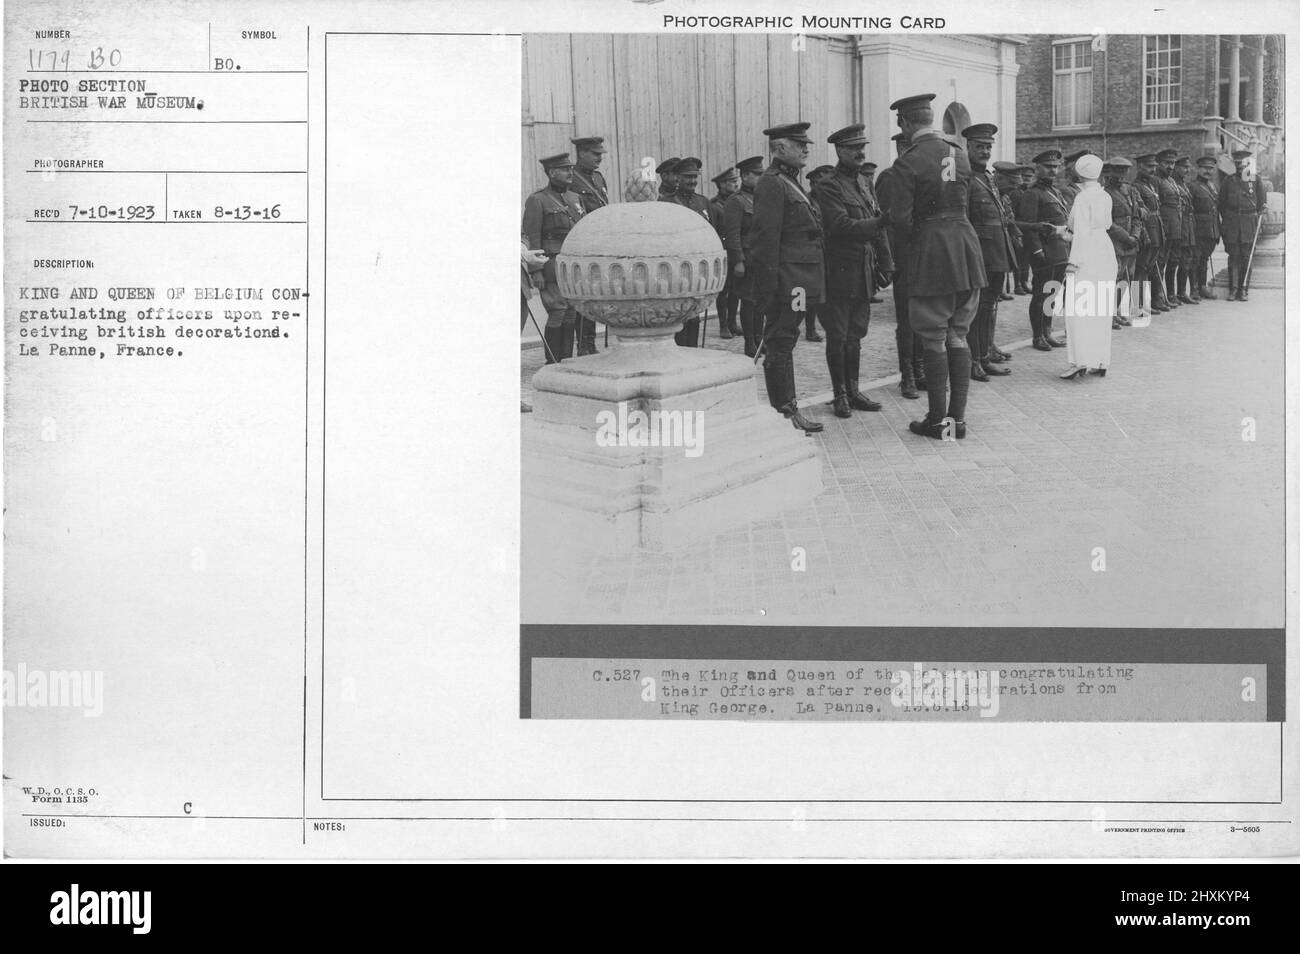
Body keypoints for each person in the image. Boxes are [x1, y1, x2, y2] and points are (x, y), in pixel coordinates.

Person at [878, 93, 986, 440]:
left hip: (932, 255)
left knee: (933, 335)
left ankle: (937, 420)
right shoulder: (960, 154)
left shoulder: (907, 164)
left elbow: (901, 222)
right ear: (932, 119)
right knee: (959, 332)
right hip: (967, 251)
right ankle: (958, 420)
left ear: (904, 124)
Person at [749, 121, 826, 434]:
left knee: (786, 339)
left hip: (800, 277)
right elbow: (766, 240)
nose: (806, 148)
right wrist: (769, 290)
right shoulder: (772, 183)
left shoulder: (789, 181)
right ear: (780, 148)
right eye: (799, 144)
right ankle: (784, 411)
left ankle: (787, 406)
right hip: (788, 280)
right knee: (781, 341)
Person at [813, 123, 893, 417]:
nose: (860, 153)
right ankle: (840, 395)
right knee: (838, 334)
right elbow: (840, 225)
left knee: (856, 334)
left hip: (863, 270)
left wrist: (887, 262)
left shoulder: (864, 182)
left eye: (862, 147)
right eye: (853, 148)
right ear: (839, 151)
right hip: (838, 271)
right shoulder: (827, 185)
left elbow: (877, 223)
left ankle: (855, 390)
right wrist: (880, 224)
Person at [962, 124, 1016, 382]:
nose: (984, 151)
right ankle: (974, 361)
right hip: (980, 254)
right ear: (968, 147)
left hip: (997, 254)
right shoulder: (966, 179)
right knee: (977, 310)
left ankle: (983, 357)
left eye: (987, 147)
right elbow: (966, 220)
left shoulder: (988, 179)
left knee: (988, 307)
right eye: (979, 146)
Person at [520, 152, 585, 362]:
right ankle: (553, 361)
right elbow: (532, 235)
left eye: (571, 168)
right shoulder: (537, 200)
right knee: (558, 310)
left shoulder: (575, 198)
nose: (570, 173)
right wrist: (536, 271)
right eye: (565, 169)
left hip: (572, 264)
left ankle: (566, 359)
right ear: (552, 172)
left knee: (571, 311)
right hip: (550, 264)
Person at [1058, 155, 1117, 380]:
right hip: (1104, 249)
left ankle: (1080, 361)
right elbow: (1105, 224)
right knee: (1100, 307)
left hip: (1087, 254)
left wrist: (1073, 262)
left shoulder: (1082, 198)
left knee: (1079, 309)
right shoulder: (1104, 195)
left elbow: (1081, 231)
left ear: (1079, 174)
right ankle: (1101, 359)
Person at [876, 132, 925, 399]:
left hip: (924, 257)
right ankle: (907, 375)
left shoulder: (923, 175)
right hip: (903, 258)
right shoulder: (890, 177)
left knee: (923, 317)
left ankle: (920, 370)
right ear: (901, 147)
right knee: (907, 320)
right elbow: (885, 224)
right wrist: (890, 261)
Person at [1018, 148, 1069, 351]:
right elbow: (1028, 226)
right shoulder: (1032, 194)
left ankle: (1047, 332)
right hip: (1045, 252)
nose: (1053, 171)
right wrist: (1037, 251)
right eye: (1048, 167)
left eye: (1056, 167)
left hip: (1060, 251)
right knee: (1040, 295)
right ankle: (1037, 336)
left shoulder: (1055, 192)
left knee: (1053, 294)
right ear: (1038, 168)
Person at [663, 157, 712, 346]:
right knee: (679, 312)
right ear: (677, 178)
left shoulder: (703, 202)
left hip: (698, 267)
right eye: (687, 177)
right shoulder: (667, 203)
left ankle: (692, 350)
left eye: (694, 177)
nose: (692, 181)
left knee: (695, 311)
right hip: (677, 267)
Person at [723, 155, 765, 357]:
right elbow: (732, 235)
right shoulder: (736, 201)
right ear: (745, 176)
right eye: (757, 174)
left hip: (761, 258)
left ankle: (759, 339)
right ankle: (750, 342)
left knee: (760, 303)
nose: (760, 177)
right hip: (746, 259)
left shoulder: (761, 198)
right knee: (748, 302)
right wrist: (738, 261)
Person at [1218, 148, 1268, 301]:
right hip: (1232, 223)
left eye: (1244, 163)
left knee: (1247, 256)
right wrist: (1227, 220)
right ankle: (1233, 290)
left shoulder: (1255, 180)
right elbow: (1221, 204)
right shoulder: (1228, 181)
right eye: (1238, 163)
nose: (1240, 166)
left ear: (1249, 163)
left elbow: (1262, 203)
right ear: (1234, 163)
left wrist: (1262, 210)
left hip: (1249, 224)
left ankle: (1243, 289)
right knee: (1233, 256)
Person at [1101, 157, 1140, 327]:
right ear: (1109, 173)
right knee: (1112, 278)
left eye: (1124, 172)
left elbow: (1136, 216)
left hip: (1131, 242)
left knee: (1125, 277)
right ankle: (1107, 314)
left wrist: (1136, 236)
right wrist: (1126, 237)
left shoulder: (1129, 191)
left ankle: (1116, 311)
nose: (1121, 176)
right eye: (1118, 172)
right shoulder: (1105, 194)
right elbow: (1107, 222)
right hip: (1115, 242)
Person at [1132, 154, 1169, 314]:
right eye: (1149, 166)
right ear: (1140, 167)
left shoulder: (1151, 186)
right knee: (1140, 268)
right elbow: (1138, 214)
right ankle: (1136, 305)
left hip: (1156, 230)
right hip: (1147, 232)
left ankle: (1145, 304)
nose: (1153, 169)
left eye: (1154, 166)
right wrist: (1143, 234)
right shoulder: (1135, 187)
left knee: (1148, 269)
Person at [709, 166, 743, 338]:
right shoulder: (714, 205)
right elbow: (713, 230)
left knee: (736, 290)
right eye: (731, 182)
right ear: (721, 185)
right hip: (723, 253)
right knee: (723, 291)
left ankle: (732, 323)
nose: (735, 185)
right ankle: (723, 326)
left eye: (736, 181)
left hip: (736, 252)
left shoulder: (738, 202)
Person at [1187, 155, 1222, 299]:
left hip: (1212, 229)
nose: (1208, 171)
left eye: (1211, 169)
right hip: (1198, 229)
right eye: (1205, 168)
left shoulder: (1213, 186)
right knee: (1195, 259)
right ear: (1198, 169)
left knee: (1204, 259)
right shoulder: (1192, 186)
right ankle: (1194, 289)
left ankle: (1202, 286)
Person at [1170, 156, 1199, 304]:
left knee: (1186, 260)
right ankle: (1171, 294)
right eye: (1184, 167)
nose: (1187, 170)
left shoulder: (1184, 184)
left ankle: (1181, 292)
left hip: (1188, 226)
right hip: (1178, 227)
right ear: (1176, 167)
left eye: (1188, 167)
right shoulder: (1172, 183)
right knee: (1174, 261)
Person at [569, 136, 610, 213]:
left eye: (601, 155)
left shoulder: (598, 177)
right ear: (582, 154)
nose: (600, 158)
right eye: (596, 154)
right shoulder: (570, 178)